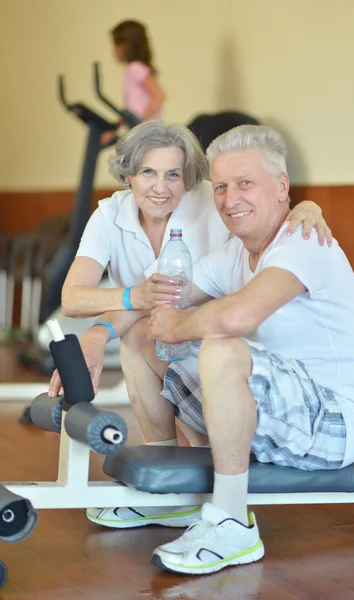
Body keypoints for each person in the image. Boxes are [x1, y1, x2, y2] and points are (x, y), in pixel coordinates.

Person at [48, 120, 332, 529]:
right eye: (148, 172)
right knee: (140, 337)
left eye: (173, 174)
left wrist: (308, 207)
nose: (160, 187)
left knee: (155, 340)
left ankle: (207, 497)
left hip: (225, 341)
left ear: (188, 179)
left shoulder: (210, 205)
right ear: (129, 174)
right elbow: (74, 298)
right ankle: (169, 486)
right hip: (164, 329)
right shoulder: (109, 215)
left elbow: (271, 219)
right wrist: (104, 327)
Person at [123, 124, 354, 574]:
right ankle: (170, 493)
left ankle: (232, 521)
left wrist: (179, 325)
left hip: (333, 422)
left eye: (245, 183)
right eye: (219, 186)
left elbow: (237, 318)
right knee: (141, 338)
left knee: (222, 346)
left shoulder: (304, 242)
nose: (229, 198)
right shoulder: (236, 253)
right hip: (279, 413)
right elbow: (158, 297)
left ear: (281, 187)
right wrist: (96, 335)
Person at [102, 20, 165, 145]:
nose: (113, 51)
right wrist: (118, 127)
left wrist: (142, 124)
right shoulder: (135, 69)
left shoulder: (134, 68)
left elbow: (158, 95)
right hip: (140, 130)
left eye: (116, 45)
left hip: (146, 134)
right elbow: (133, 108)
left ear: (126, 46)